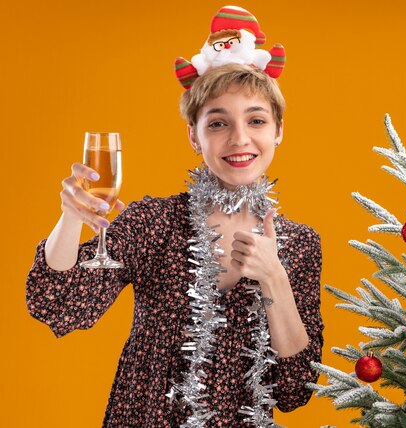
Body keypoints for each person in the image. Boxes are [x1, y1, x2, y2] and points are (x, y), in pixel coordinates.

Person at [25, 7, 323, 427]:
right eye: (217, 123)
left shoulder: (300, 244)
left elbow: (295, 391)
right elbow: (60, 306)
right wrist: (70, 217)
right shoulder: (154, 222)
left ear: (278, 131)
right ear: (194, 136)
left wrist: (274, 277)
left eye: (256, 120)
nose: (240, 138)